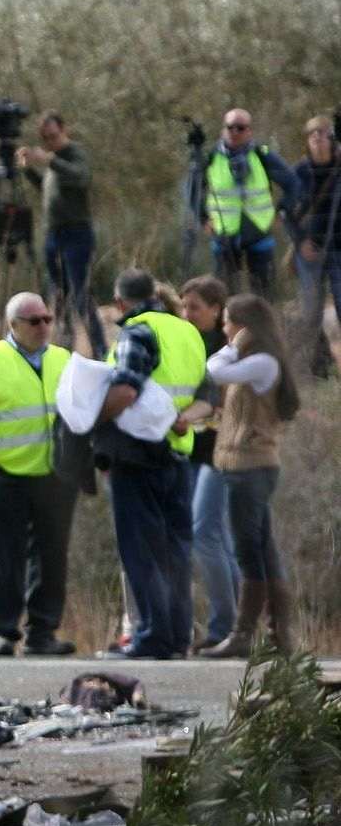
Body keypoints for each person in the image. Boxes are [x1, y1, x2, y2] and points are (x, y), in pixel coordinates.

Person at [0, 293, 76, 656]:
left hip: (55, 475)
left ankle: (43, 632)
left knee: (52, 556)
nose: (43, 327)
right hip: (7, 474)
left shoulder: (65, 359)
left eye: (47, 319)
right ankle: (5, 633)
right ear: (13, 326)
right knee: (7, 556)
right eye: (34, 321)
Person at [96, 269, 203, 660]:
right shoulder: (186, 331)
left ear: (120, 302)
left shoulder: (137, 332)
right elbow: (206, 391)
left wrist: (94, 416)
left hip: (138, 453)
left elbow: (125, 387)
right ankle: (176, 636)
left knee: (142, 548)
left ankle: (153, 635)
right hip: (178, 452)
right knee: (175, 550)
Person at [202, 295, 303, 655]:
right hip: (244, 467)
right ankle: (278, 635)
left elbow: (212, 369)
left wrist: (235, 345)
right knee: (263, 548)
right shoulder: (257, 360)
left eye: (229, 322)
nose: (224, 328)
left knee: (249, 550)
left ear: (245, 326)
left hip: (251, 467)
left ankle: (246, 635)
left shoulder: (261, 362)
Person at [176, 277, 241, 653]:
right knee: (215, 537)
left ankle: (224, 627)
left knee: (206, 533)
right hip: (192, 451)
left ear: (217, 310)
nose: (187, 315)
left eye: (195, 307)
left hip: (220, 452)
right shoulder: (189, 342)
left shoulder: (226, 349)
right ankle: (234, 627)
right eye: (184, 307)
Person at [17, 114, 105, 357]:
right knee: (59, 295)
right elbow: (47, 188)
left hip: (77, 232)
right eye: (45, 139)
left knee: (80, 294)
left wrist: (49, 160)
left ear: (64, 130)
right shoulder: (53, 164)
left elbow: (81, 177)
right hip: (54, 234)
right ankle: (64, 348)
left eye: (53, 136)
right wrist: (28, 170)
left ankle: (99, 349)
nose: (50, 142)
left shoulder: (74, 154)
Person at [201, 107, 300, 296]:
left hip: (258, 232)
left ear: (250, 131)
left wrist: (282, 211)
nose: (235, 132)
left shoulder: (263, 156)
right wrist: (202, 218)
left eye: (241, 128)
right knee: (224, 294)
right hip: (224, 234)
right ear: (223, 130)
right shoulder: (211, 158)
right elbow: (192, 190)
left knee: (264, 293)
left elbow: (293, 184)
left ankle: (264, 326)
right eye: (230, 127)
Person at [291, 114, 339, 379]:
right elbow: (286, 212)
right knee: (311, 310)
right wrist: (300, 242)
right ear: (307, 141)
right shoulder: (299, 172)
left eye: (324, 134)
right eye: (313, 136)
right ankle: (319, 366)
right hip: (310, 250)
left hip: (339, 248)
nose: (319, 140)